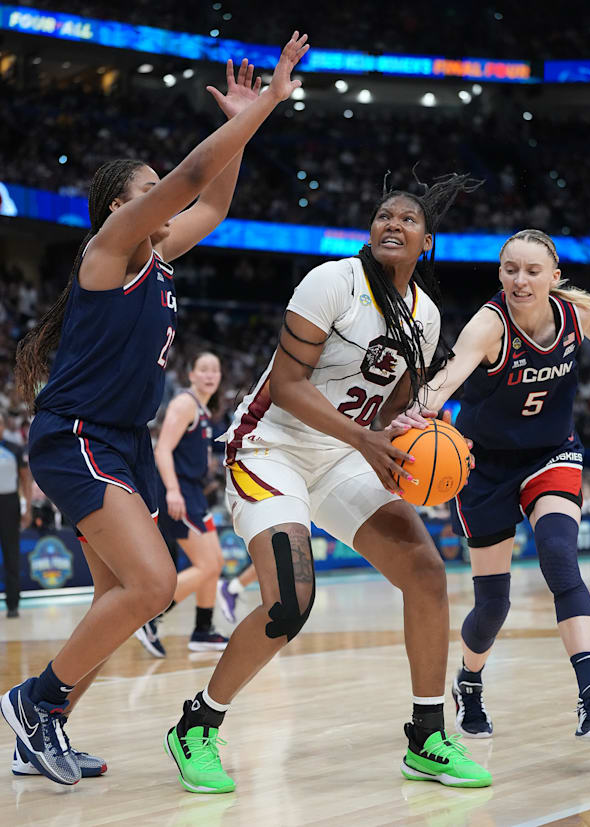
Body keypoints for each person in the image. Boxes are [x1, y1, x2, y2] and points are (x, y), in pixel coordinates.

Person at [1, 34, 310, 788]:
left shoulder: (161, 260)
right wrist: (265, 105)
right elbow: (195, 174)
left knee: (119, 595)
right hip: (75, 436)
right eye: (150, 188)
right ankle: (33, 701)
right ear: (123, 204)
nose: (165, 198)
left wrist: (243, 122)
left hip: (117, 441)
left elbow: (216, 195)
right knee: (152, 583)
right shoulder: (108, 247)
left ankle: (44, 733)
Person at [164, 172, 493, 795]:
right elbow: (288, 387)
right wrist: (364, 440)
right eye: (383, 215)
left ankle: (427, 736)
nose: (393, 223)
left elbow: (396, 412)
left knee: (426, 572)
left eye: (409, 219)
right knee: (290, 600)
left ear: (427, 244)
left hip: (343, 454)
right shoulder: (332, 281)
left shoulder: (425, 316)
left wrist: (438, 445)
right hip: (270, 447)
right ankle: (197, 725)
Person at [394, 228, 590, 744]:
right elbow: (446, 381)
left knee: (560, 556)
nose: (520, 280)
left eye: (533, 271)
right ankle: (469, 681)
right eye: (511, 270)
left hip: (550, 453)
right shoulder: (489, 324)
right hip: (484, 466)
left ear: (554, 278)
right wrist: (411, 416)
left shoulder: (577, 316)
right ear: (500, 274)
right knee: (494, 604)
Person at [135, 351, 229, 656]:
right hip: (179, 492)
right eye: (203, 369)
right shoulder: (184, 403)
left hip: (194, 492)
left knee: (214, 564)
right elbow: (162, 450)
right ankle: (150, 617)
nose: (210, 375)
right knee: (206, 565)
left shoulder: (202, 408)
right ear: (191, 375)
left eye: (215, 370)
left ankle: (203, 630)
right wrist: (173, 491)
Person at [0, 410, 32, 618]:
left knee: (12, 554)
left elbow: (25, 480)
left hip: (8, 503)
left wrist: (27, 508)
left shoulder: (14, 449)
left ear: (3, 426)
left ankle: (13, 605)